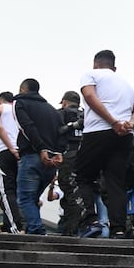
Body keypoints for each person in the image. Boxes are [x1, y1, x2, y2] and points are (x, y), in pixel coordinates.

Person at [74, 50, 134, 239]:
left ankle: (90, 220)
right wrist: (129, 123)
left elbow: (89, 96)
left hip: (97, 131)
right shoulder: (127, 85)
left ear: (95, 64)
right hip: (124, 135)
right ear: (114, 67)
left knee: (82, 175)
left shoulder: (90, 75)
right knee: (115, 182)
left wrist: (112, 121)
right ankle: (119, 229)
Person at [13, 78, 66, 235]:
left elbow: (26, 126)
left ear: (23, 89)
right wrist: (58, 152)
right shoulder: (52, 110)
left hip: (32, 155)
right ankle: (31, 231)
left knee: (25, 198)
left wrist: (41, 147)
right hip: (51, 161)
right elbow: (62, 132)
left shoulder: (20, 103)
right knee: (34, 198)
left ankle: (37, 231)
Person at [0, 91, 23, 233]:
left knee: (6, 190)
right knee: (18, 190)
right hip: (22, 152)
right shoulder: (20, 110)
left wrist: (9, 146)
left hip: (4, 151)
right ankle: (10, 225)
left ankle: (16, 226)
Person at [55, 91, 84, 236]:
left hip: (68, 155)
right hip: (86, 156)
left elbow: (56, 132)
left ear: (65, 102)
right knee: (80, 191)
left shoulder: (62, 113)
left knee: (69, 190)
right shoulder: (87, 114)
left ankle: (71, 229)